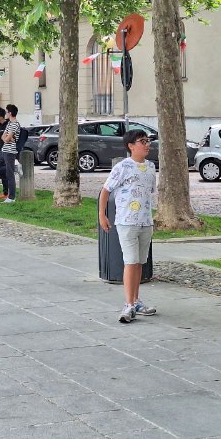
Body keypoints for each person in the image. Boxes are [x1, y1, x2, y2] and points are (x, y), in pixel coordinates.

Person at [98, 129, 157, 324]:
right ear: (131, 146)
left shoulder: (150, 167)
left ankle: (136, 300)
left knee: (139, 262)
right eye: (142, 141)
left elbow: (149, 193)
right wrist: (102, 215)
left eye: (148, 141)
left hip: (145, 222)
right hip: (127, 222)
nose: (146, 144)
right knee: (130, 262)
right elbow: (106, 191)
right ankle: (128, 303)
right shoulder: (123, 166)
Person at [0, 103, 20, 203]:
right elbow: (3, 137)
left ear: (10, 113)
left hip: (10, 151)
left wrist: (8, 138)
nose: (6, 113)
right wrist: (7, 138)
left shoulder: (14, 124)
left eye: (7, 112)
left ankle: (11, 197)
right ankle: (15, 168)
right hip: (3, 150)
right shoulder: (9, 124)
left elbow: (6, 139)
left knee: (10, 175)